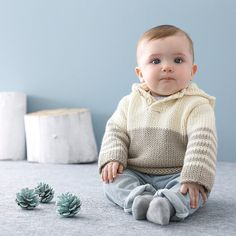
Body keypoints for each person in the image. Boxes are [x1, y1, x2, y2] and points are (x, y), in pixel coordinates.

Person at [98, 24, 217, 225]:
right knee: (111, 181)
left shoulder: (197, 105)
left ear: (192, 71)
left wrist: (194, 175)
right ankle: (139, 199)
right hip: (136, 172)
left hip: (178, 173)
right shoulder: (129, 103)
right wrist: (113, 158)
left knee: (195, 191)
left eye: (178, 60)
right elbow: (115, 131)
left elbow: (202, 141)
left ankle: (168, 205)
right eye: (155, 61)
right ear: (140, 73)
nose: (167, 67)